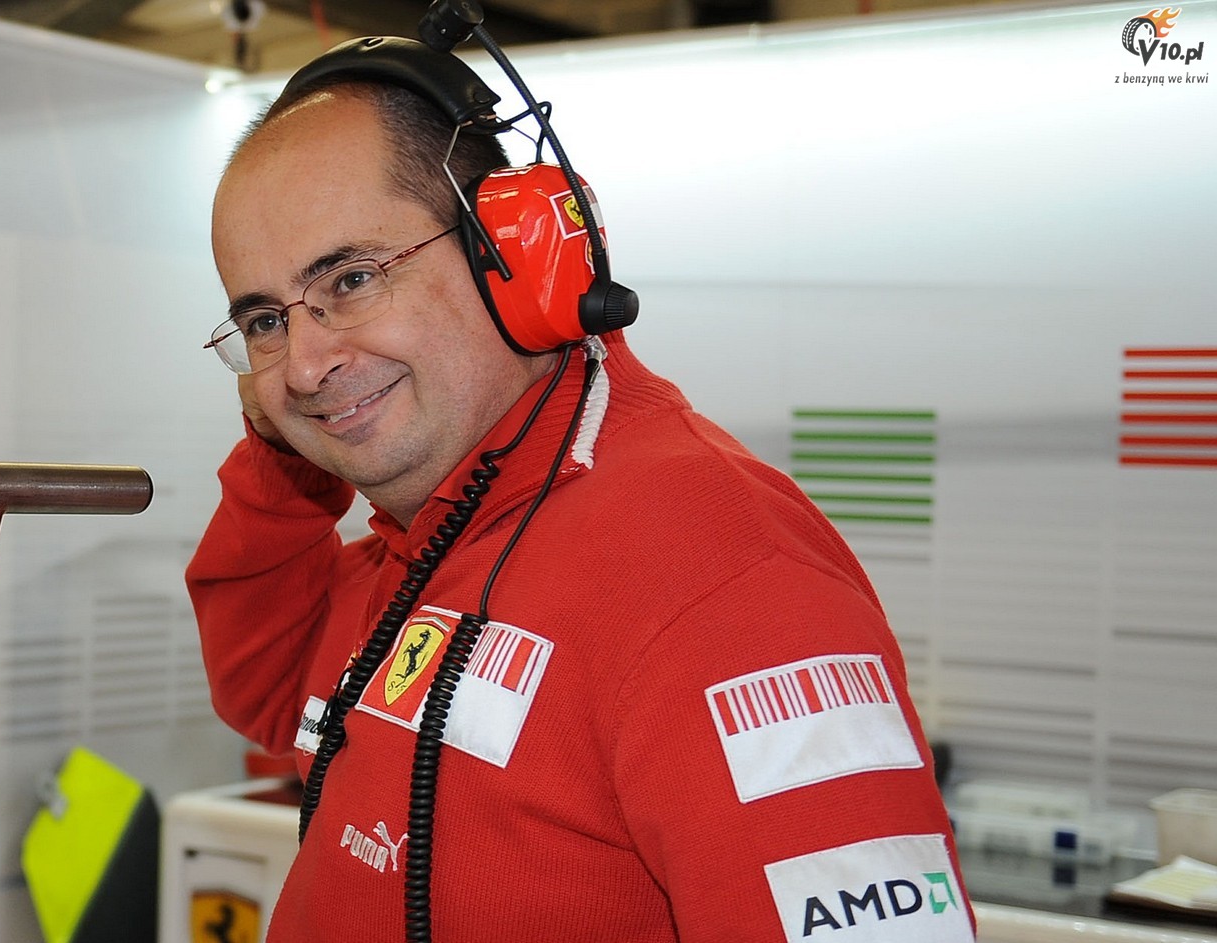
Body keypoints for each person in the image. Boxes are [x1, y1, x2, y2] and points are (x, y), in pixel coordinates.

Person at [186, 28, 975, 943]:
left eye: (352, 279)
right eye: (265, 321)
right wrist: (283, 441)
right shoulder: (434, 536)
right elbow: (263, 685)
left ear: (512, 257)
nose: (303, 363)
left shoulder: (723, 572)